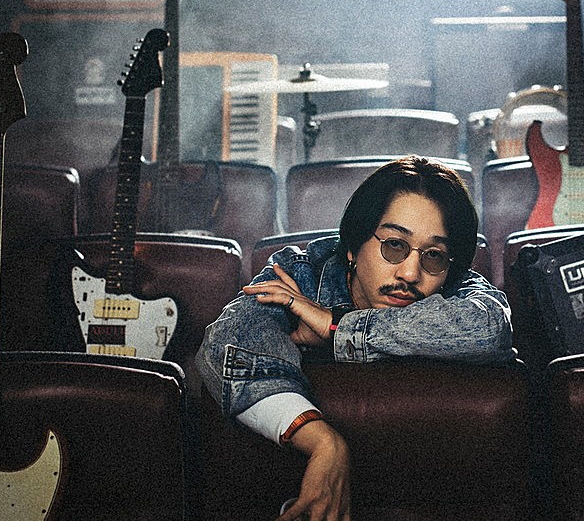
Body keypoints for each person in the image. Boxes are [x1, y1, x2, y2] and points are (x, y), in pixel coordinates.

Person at [195, 155, 517, 521]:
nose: (411, 273)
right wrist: (324, 443)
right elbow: (227, 345)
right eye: (394, 245)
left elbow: (490, 329)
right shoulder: (299, 277)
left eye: (433, 255)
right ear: (352, 246)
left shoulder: (458, 287)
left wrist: (336, 328)